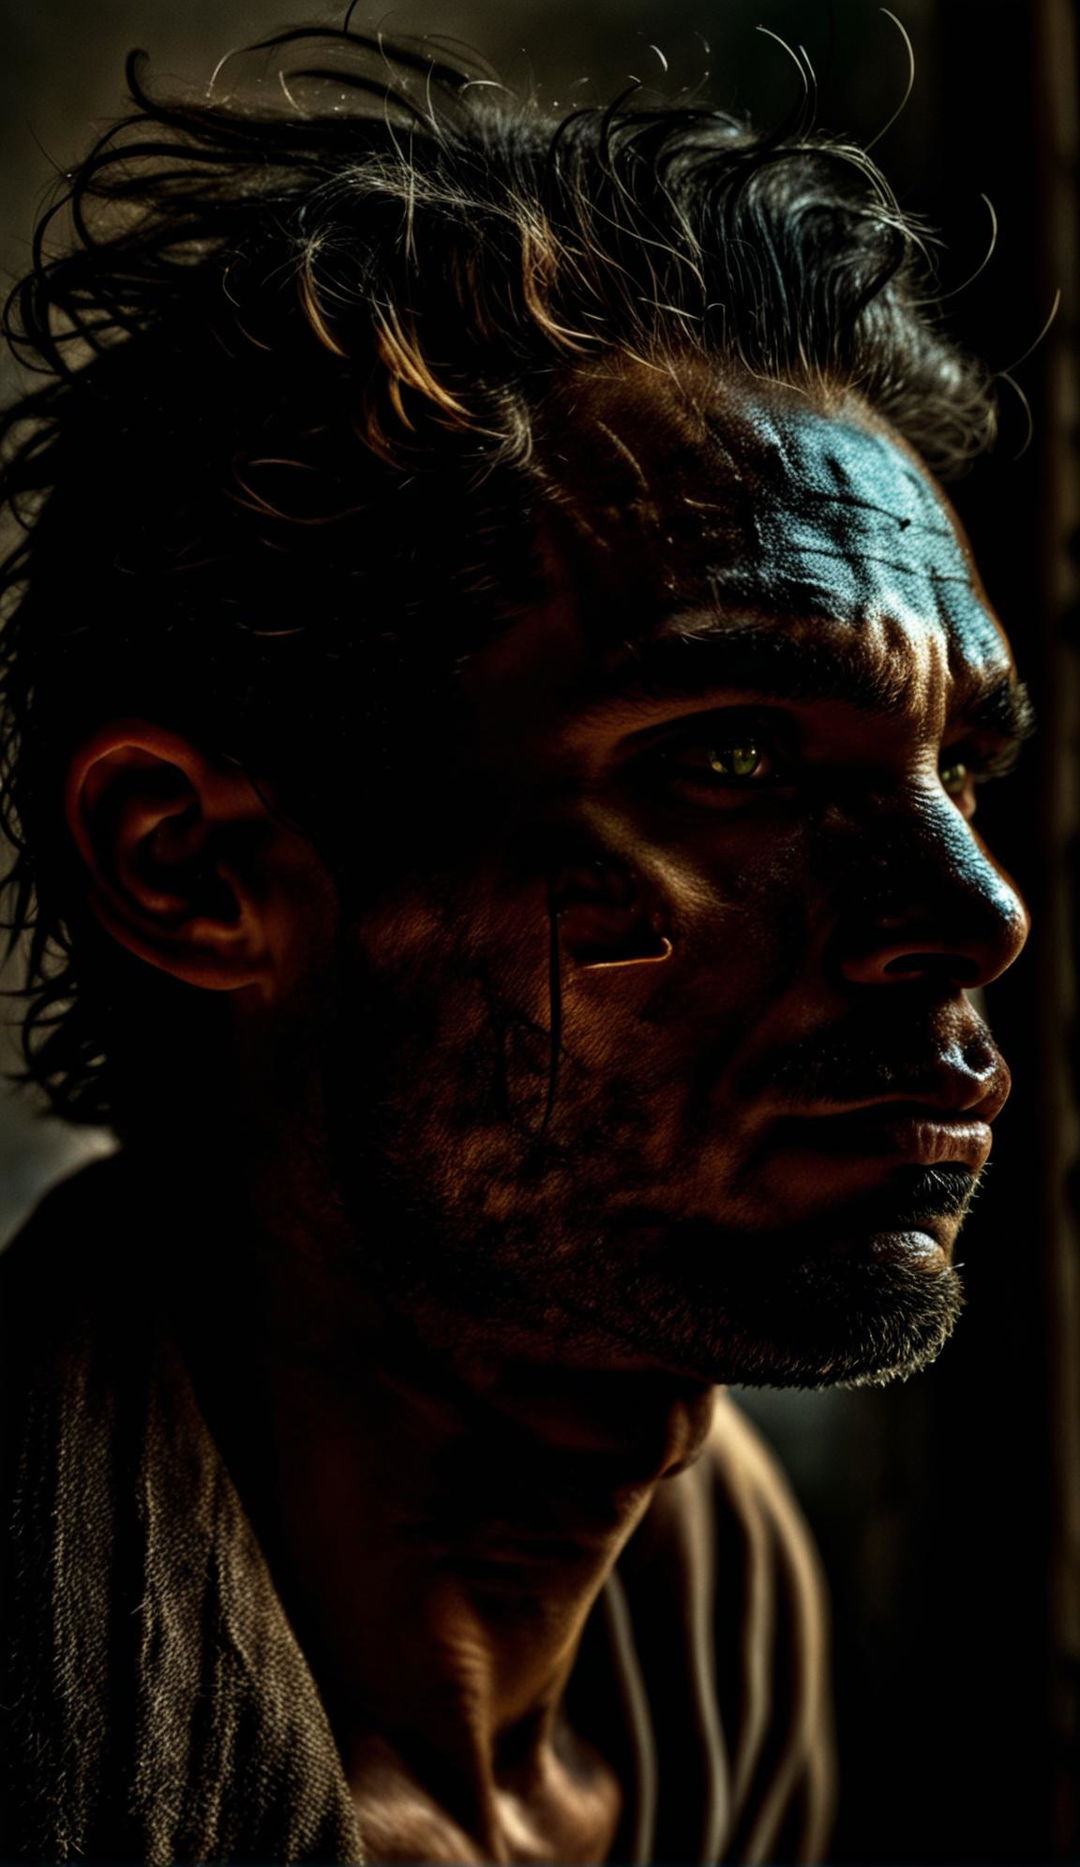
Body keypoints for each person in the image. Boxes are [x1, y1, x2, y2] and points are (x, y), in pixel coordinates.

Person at [0, 21, 1032, 1865]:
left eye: (962, 766)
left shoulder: (709, 1625)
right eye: (733, 757)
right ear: (191, 869)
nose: (977, 909)